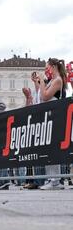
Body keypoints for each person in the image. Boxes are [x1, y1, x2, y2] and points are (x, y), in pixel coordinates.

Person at [35, 58, 67, 190]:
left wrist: (42, 81)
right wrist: (38, 82)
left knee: (53, 149)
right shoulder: (52, 81)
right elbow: (40, 96)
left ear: (53, 67)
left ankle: (55, 180)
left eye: (47, 67)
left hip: (55, 117)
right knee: (48, 149)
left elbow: (45, 96)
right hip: (48, 117)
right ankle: (51, 178)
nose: (45, 70)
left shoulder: (58, 80)